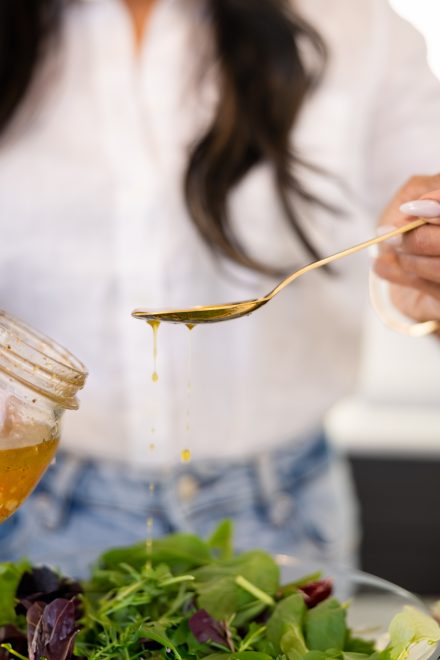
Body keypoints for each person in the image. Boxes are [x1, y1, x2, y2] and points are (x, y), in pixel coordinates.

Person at [1, 0, 440, 577]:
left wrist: (424, 278)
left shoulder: (357, 25)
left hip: (281, 516)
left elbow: (417, 257)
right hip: (31, 502)